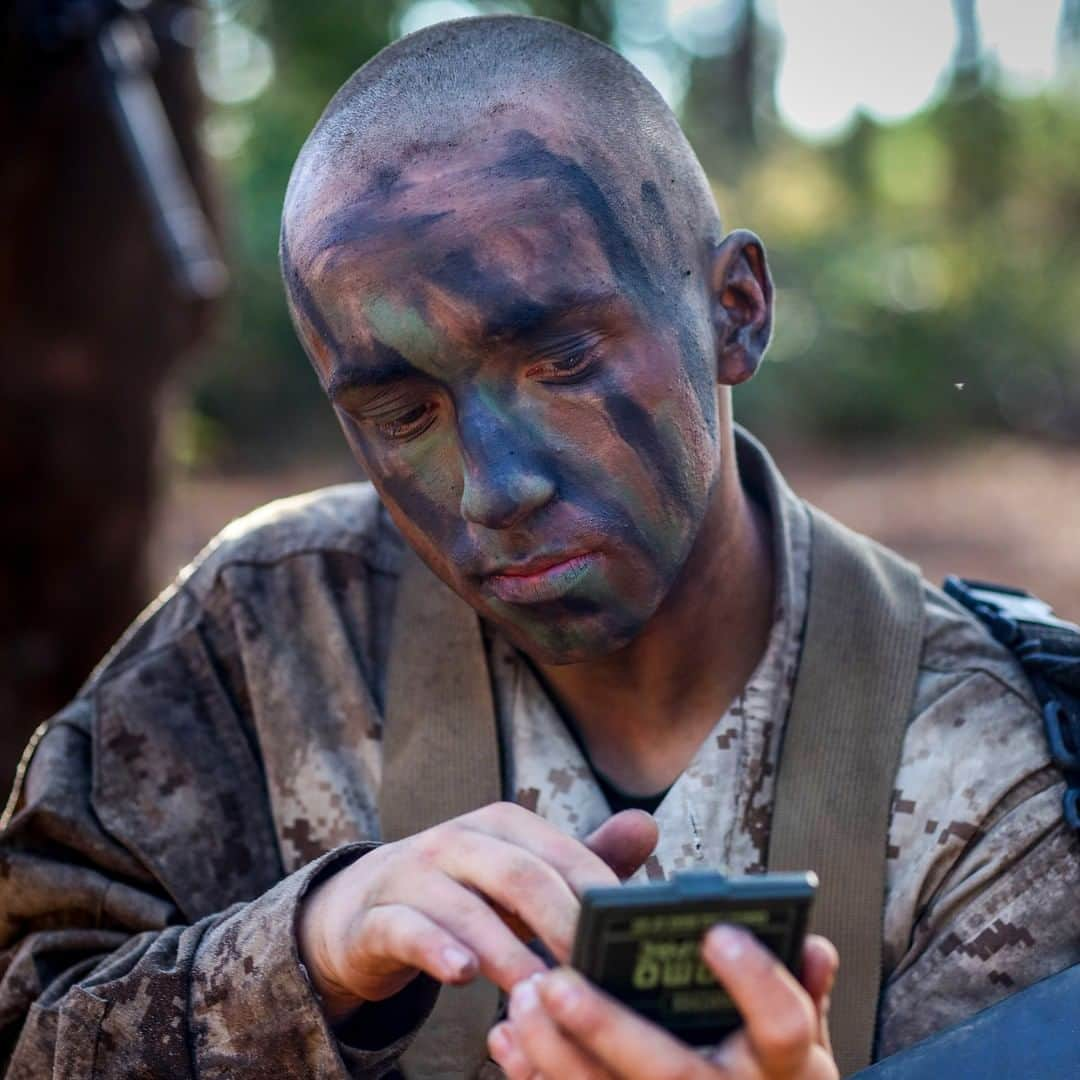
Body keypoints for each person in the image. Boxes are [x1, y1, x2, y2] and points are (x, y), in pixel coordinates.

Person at [1, 15, 1076, 1080]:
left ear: (734, 310)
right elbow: (29, 1021)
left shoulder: (999, 764)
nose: (493, 487)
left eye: (559, 362)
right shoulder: (261, 638)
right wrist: (308, 951)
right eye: (400, 415)